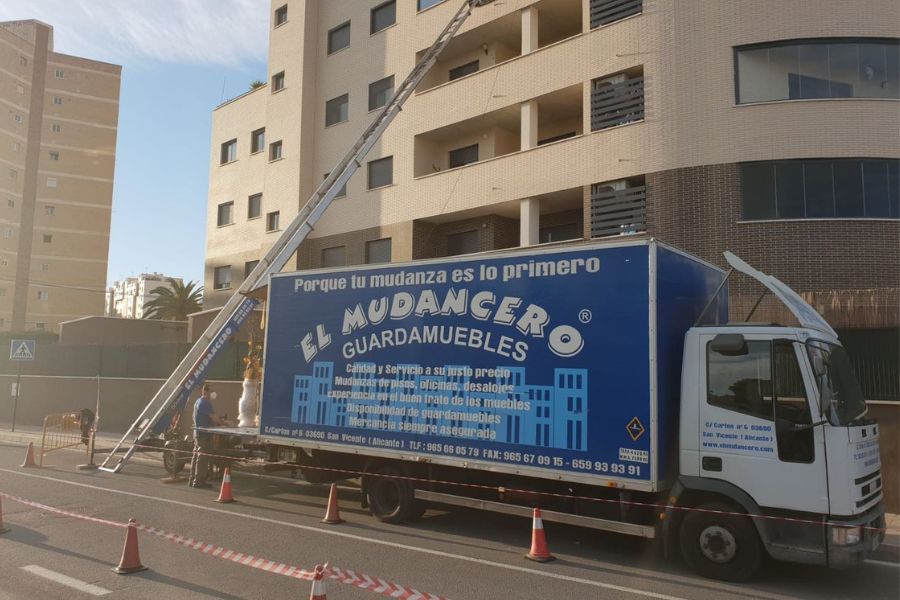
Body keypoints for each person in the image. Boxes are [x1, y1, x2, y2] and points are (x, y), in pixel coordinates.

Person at [188, 383, 226, 488]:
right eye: (211, 391)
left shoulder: (198, 401)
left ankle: (192, 479)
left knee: (196, 456)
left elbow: (195, 416)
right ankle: (199, 481)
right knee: (202, 457)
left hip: (198, 433)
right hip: (204, 435)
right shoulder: (205, 403)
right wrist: (226, 424)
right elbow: (214, 418)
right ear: (205, 392)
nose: (212, 393)